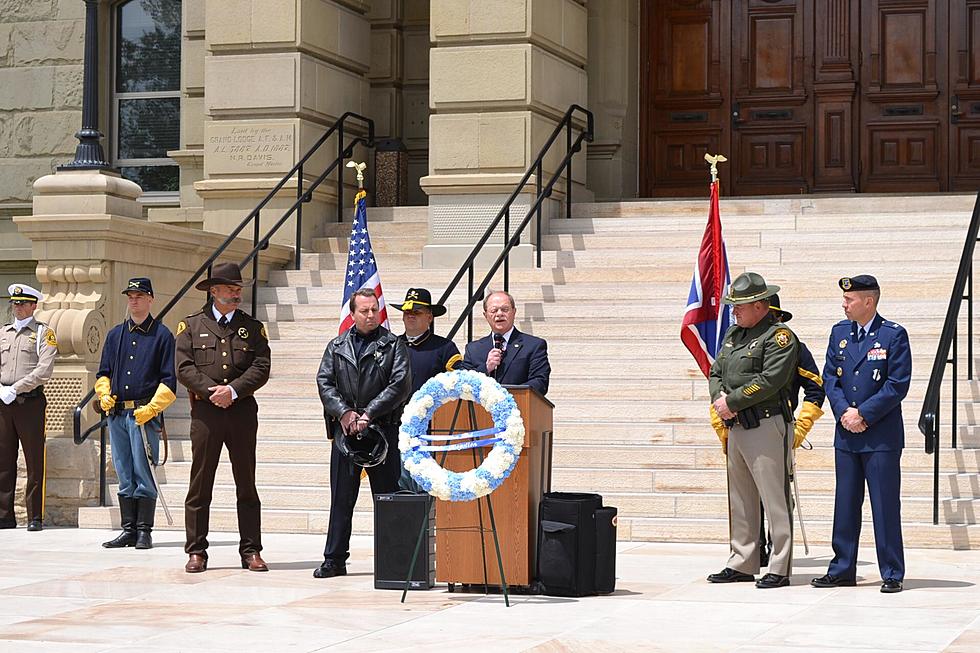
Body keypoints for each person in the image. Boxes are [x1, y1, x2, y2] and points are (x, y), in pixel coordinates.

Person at [811, 275, 910, 594]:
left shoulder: (893, 334)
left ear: (869, 301)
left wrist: (863, 414)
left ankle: (892, 571)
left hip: (880, 435)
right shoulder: (839, 332)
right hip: (847, 433)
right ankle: (842, 568)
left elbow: (897, 384)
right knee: (845, 503)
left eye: (850, 299)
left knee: (884, 506)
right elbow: (829, 377)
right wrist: (843, 412)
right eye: (844, 298)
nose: (844, 303)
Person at [175, 262, 271, 573]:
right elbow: (184, 367)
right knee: (201, 483)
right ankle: (197, 551)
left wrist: (233, 391)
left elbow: (261, 366)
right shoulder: (191, 326)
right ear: (214, 291)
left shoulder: (252, 327)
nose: (237, 294)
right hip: (206, 414)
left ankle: (251, 550)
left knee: (246, 483)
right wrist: (210, 391)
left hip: (241, 412)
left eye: (238, 289)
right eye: (230, 289)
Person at [707, 272, 797, 589]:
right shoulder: (734, 334)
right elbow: (716, 370)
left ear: (759, 305)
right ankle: (742, 560)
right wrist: (719, 398)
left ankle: (779, 565)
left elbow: (771, 380)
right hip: (736, 425)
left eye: (739, 306)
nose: (734, 312)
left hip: (766, 423)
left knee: (774, 497)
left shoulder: (779, 337)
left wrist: (731, 400)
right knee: (741, 498)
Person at [314, 288, 411, 578]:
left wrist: (369, 414)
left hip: (381, 430)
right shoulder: (337, 346)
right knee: (341, 498)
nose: (370, 315)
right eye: (364, 310)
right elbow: (324, 382)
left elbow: (400, 384)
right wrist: (344, 412)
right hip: (347, 433)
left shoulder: (393, 345)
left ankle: (395, 560)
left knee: (388, 498)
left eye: (374, 310)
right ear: (353, 313)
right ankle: (334, 559)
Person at [95, 278, 176, 550]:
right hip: (117, 414)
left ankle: (144, 531)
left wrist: (152, 408)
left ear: (151, 299)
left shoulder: (162, 335)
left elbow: (169, 380)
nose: (134, 300)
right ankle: (127, 529)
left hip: (144, 414)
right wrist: (103, 392)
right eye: (130, 295)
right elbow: (103, 371)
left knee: (144, 472)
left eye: (140, 295)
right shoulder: (115, 335)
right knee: (123, 471)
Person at [754, 294, 826, 567]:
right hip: (744, 428)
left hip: (776, 427)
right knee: (747, 496)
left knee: (778, 495)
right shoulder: (742, 345)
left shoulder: (795, 347)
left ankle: (778, 549)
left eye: (776, 318)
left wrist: (801, 427)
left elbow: (816, 388)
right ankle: (752, 550)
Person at [0, 284, 57, 531]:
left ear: (34, 305)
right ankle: (4, 515)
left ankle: (35, 516)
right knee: (3, 460)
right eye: (15, 303)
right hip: (3, 401)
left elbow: (44, 370)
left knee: (34, 460)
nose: (18, 307)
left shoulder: (44, 333)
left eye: (23, 303)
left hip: (29, 401)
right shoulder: (3, 332)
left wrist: (16, 388)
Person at [461, 291, 550, 396]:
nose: (499, 314)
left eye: (505, 309)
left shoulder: (534, 345)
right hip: (480, 410)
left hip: (518, 408)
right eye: (494, 310)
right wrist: (486, 367)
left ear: (514, 312)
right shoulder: (473, 349)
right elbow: (463, 383)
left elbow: (540, 382)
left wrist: (506, 397)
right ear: (485, 315)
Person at [390, 287, 461, 395]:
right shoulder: (392, 345)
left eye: (417, 312)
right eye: (407, 312)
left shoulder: (445, 348)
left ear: (429, 318)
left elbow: (457, 383)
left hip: (431, 410)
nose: (411, 315)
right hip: (394, 410)